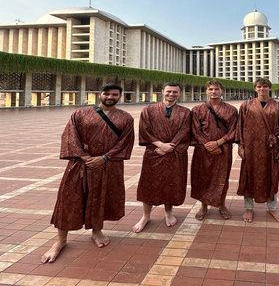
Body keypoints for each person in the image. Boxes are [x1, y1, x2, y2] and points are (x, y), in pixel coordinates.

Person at [42, 84, 135, 263]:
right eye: (106, 93)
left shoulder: (126, 118)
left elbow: (125, 142)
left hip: (108, 165)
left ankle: (96, 230)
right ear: (99, 94)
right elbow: (70, 136)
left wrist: (105, 157)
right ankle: (60, 240)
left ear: (120, 97)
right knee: (69, 200)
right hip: (79, 164)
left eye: (114, 94)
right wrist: (85, 157)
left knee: (101, 197)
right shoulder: (80, 114)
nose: (110, 97)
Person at [132, 82, 191, 232]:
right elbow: (144, 130)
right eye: (169, 91)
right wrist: (159, 145)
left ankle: (169, 212)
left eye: (175, 92)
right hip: (154, 152)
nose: (171, 94)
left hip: (174, 152)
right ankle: (145, 216)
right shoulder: (149, 110)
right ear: (162, 92)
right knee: (148, 183)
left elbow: (185, 132)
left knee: (171, 183)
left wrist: (169, 147)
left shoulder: (185, 112)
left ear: (179, 94)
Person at [236, 78, 279, 223]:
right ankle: (249, 208)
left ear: (269, 88)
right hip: (251, 147)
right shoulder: (247, 105)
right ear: (255, 88)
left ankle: (272, 207)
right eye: (259, 87)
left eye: (265, 87)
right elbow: (240, 127)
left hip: (271, 148)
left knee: (272, 176)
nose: (262, 89)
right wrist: (241, 146)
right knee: (248, 175)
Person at [191, 80, 238, 220]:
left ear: (222, 91)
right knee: (203, 177)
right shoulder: (197, 109)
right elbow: (195, 130)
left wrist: (218, 143)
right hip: (203, 149)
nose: (213, 92)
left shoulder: (231, 110)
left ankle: (222, 204)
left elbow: (234, 130)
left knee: (222, 178)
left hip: (223, 149)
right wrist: (208, 145)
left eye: (217, 89)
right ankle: (204, 206)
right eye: (211, 89)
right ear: (206, 91)